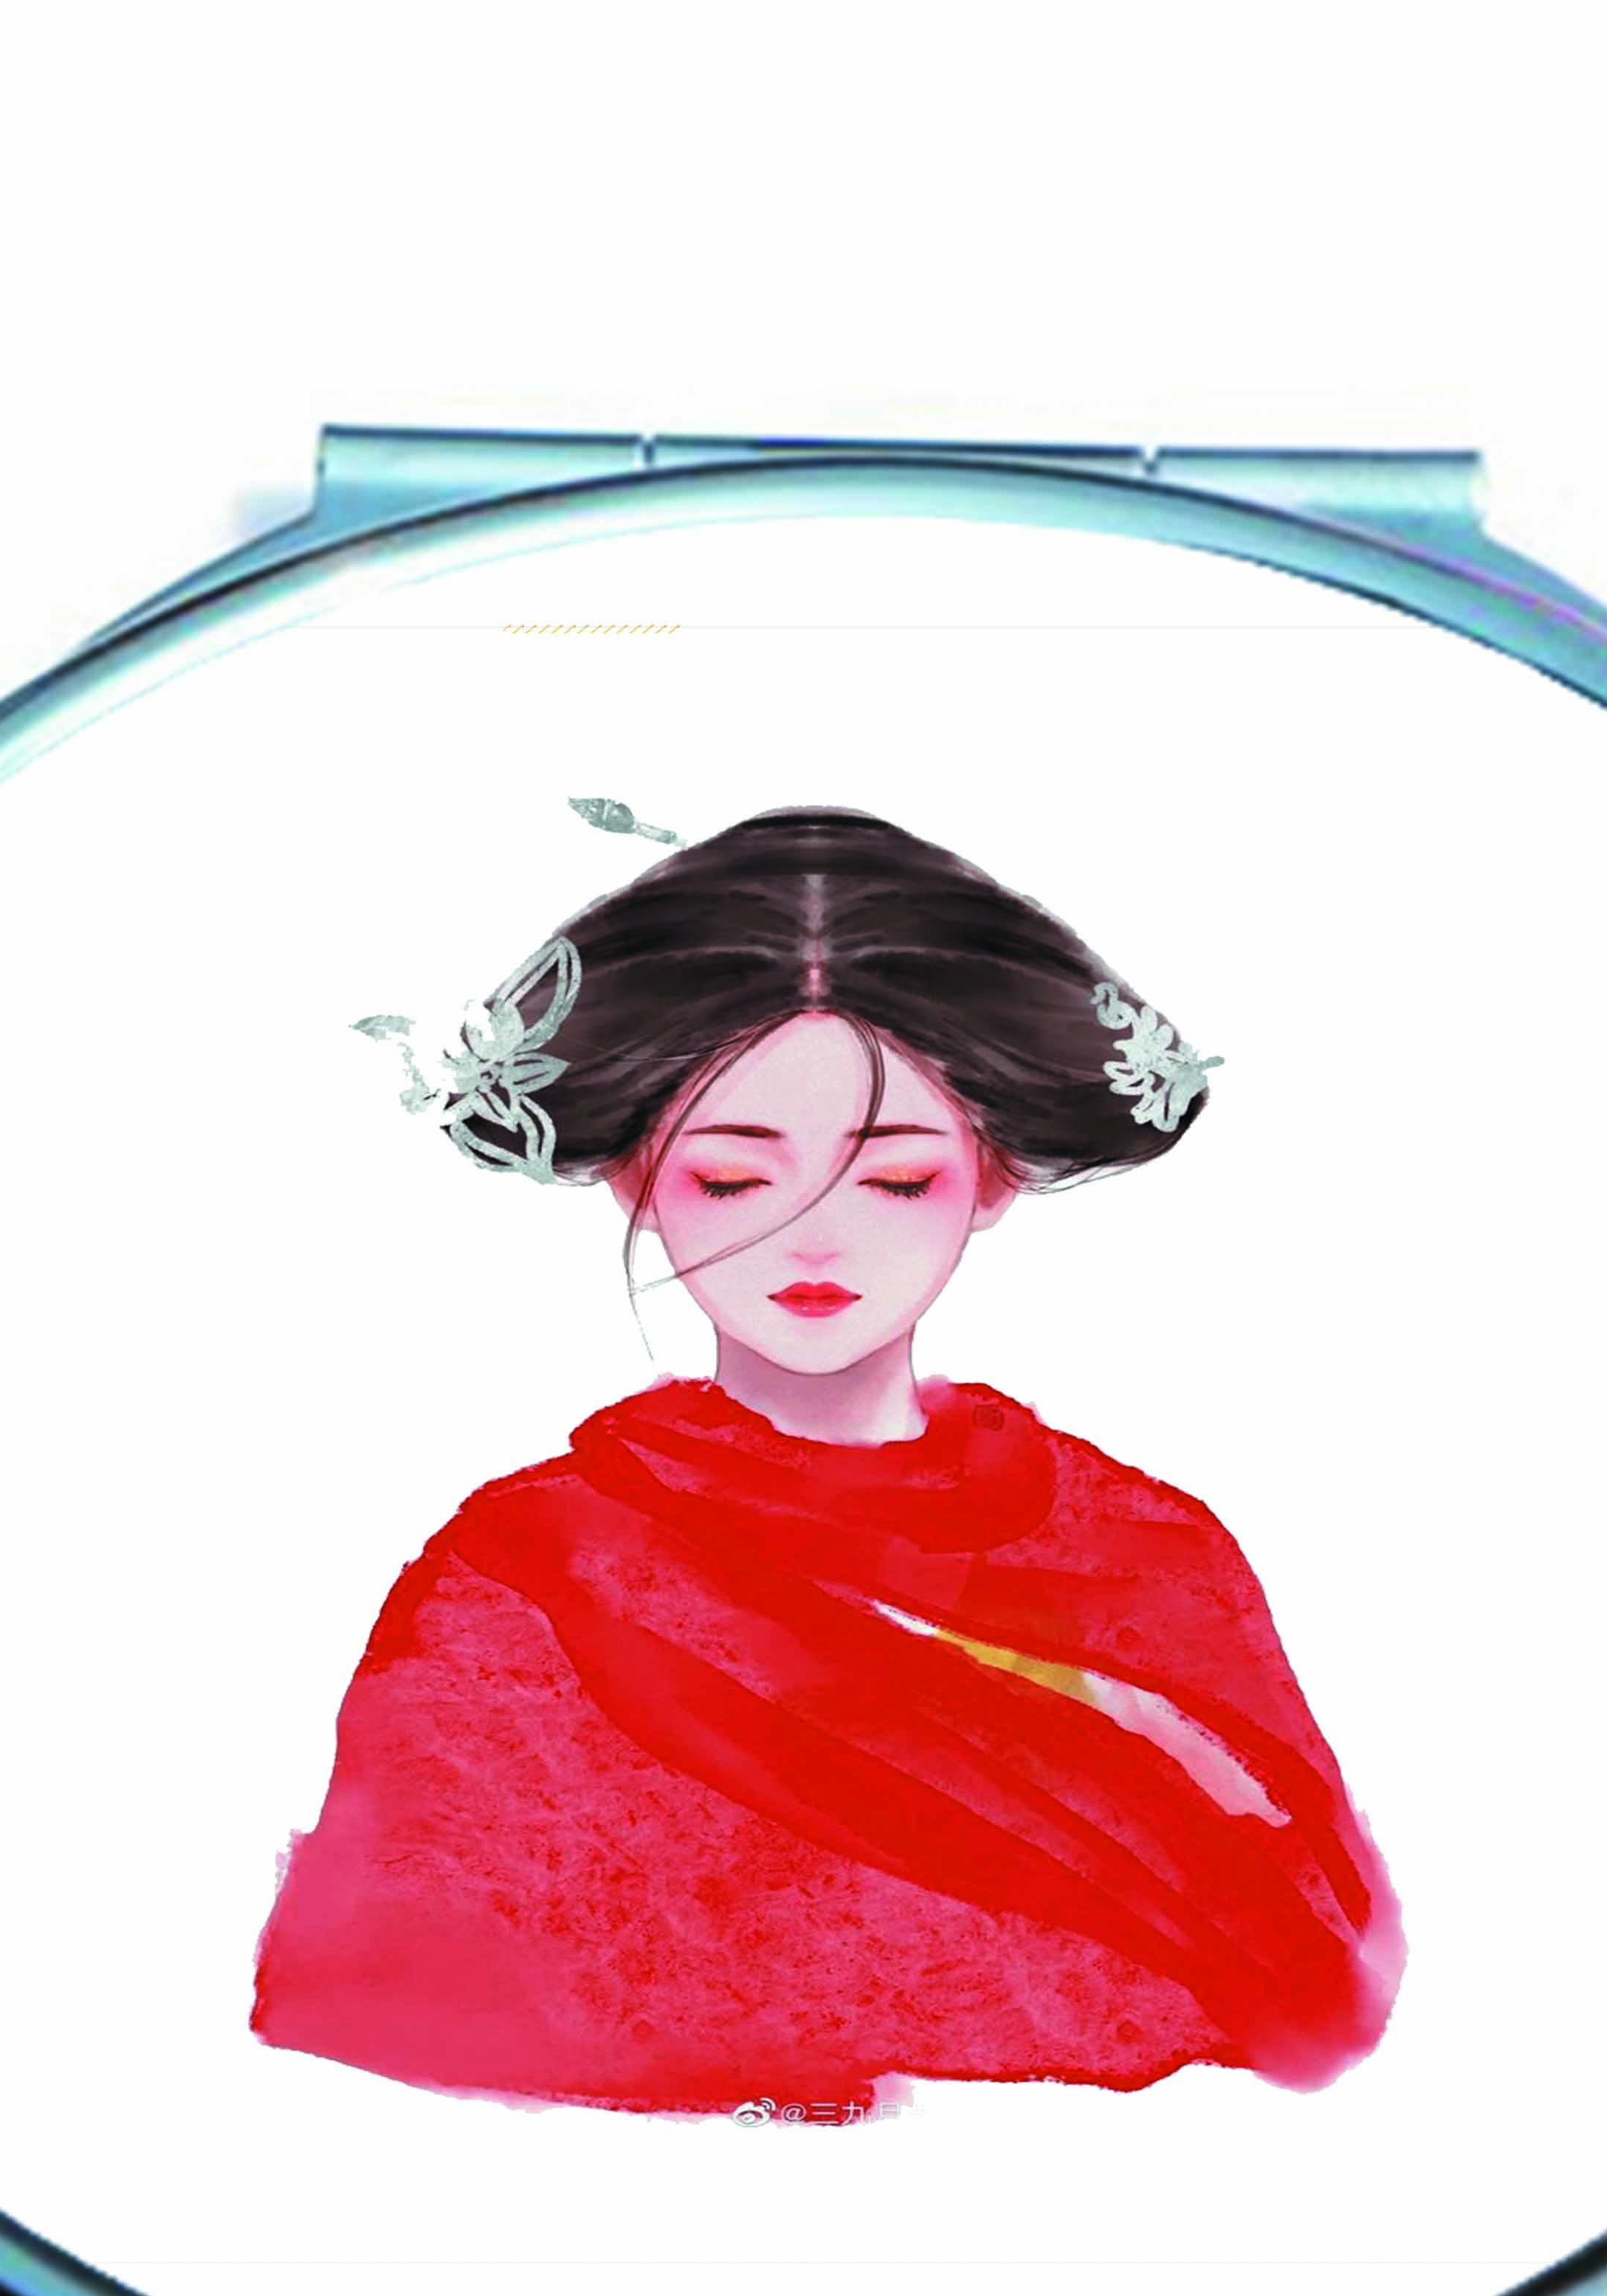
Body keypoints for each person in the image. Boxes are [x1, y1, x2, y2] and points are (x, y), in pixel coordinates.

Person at [250, 806, 1405, 2121]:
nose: (813, 1242)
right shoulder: (521, 1573)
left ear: (991, 1180)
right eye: (732, 1180)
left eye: (894, 1181)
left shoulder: (1147, 1551)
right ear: (636, 1181)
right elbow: (395, 2018)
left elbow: (1316, 1989)